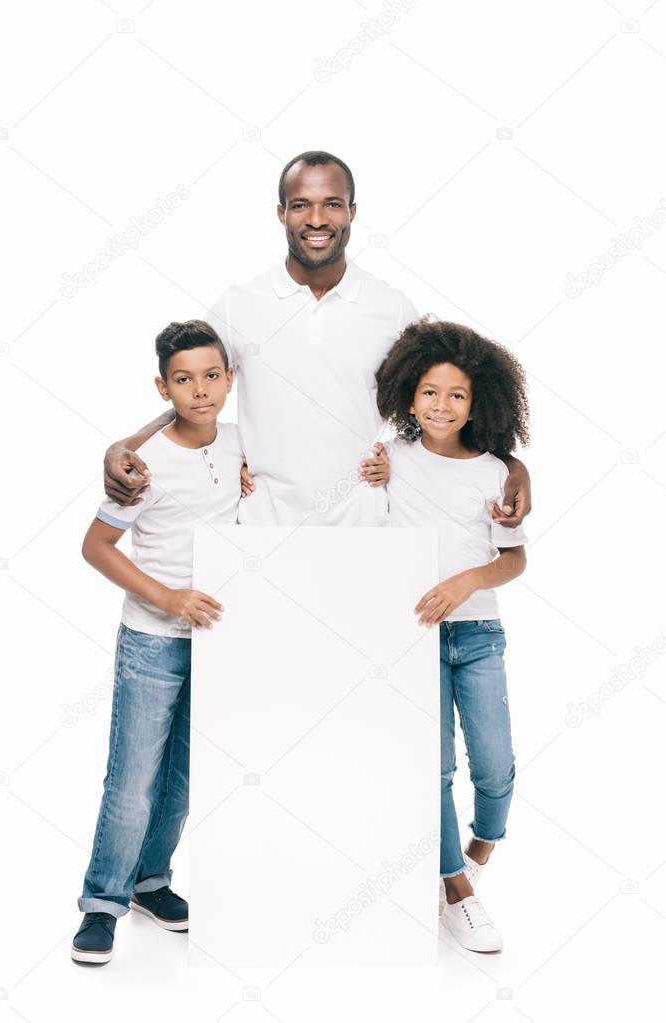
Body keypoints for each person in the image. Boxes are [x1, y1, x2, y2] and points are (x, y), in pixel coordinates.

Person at [100, 151, 532, 529]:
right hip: (260, 527)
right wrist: (127, 445)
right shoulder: (238, 305)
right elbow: (193, 393)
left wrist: (511, 466)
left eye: (333, 204)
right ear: (280, 213)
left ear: (353, 212)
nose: (317, 219)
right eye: (301, 205)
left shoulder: (392, 308)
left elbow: (443, 406)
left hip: (367, 527)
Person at [71, 320, 243, 965]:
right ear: (161, 386)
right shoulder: (142, 465)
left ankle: (150, 882)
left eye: (210, 376)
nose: (199, 391)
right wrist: (168, 598)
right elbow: (95, 546)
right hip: (152, 641)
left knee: (183, 777)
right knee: (134, 778)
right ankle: (101, 904)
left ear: (229, 379)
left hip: (220, 639)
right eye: (182, 379)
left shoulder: (237, 446)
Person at [376, 318, 529, 953]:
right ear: (410, 397)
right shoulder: (389, 459)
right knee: (433, 767)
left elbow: (513, 560)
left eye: (458, 395)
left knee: (495, 767)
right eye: (431, 392)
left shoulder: (497, 473)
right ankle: (456, 891)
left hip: (478, 634)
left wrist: (467, 580)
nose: (442, 405)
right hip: (414, 637)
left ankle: (477, 851)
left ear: (479, 403)